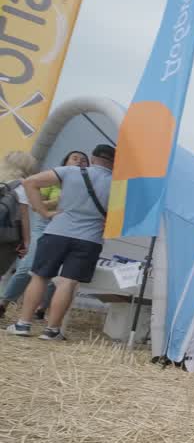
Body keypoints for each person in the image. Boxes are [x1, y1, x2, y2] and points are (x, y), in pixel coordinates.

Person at [6, 144, 114, 340]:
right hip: (90, 238)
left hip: (57, 232)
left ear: (92, 158)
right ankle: (52, 331)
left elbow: (30, 182)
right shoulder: (118, 184)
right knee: (67, 282)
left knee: (39, 277)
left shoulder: (69, 172)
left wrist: (43, 211)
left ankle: (23, 324)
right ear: (114, 162)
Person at [0, 150, 85, 320]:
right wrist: (56, 203)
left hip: (69, 230)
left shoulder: (87, 186)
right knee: (26, 268)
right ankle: (4, 303)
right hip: (44, 226)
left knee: (58, 274)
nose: (79, 162)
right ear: (65, 163)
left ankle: (42, 308)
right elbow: (35, 205)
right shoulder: (50, 181)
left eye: (84, 160)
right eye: (75, 158)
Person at [0, 150, 39, 276]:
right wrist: (26, 242)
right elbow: (23, 216)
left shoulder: (2, 180)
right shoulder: (21, 185)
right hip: (6, 238)